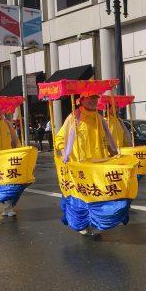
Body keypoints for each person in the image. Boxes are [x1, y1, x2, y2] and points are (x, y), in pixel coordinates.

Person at [55, 95, 117, 236]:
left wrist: (114, 153)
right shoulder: (74, 118)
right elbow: (59, 138)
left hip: (98, 167)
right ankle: (83, 223)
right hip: (79, 168)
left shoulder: (100, 119)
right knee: (81, 199)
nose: (93, 101)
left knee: (97, 196)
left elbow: (107, 140)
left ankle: (93, 222)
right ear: (81, 100)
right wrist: (65, 154)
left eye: (95, 98)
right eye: (89, 98)